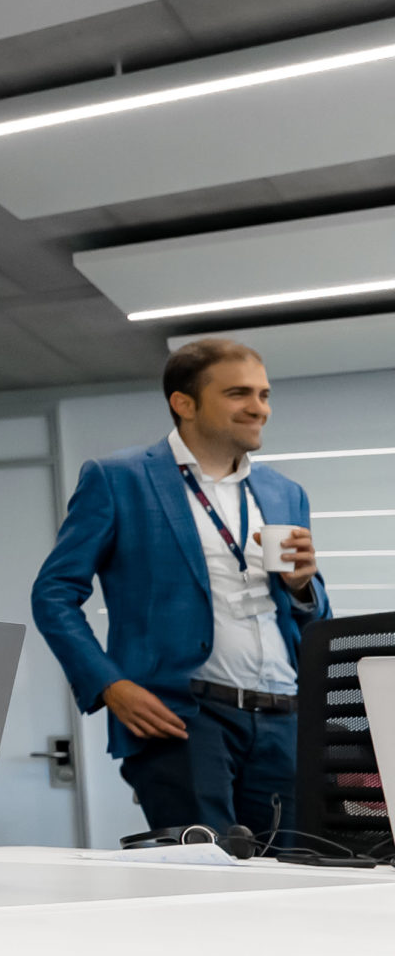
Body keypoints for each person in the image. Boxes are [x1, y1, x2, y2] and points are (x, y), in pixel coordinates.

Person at [32, 340, 328, 837]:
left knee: (292, 880)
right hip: (184, 716)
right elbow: (53, 593)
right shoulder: (120, 478)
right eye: (239, 394)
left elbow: (313, 618)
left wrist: (302, 587)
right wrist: (110, 685)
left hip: (284, 715)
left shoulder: (284, 493)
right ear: (184, 403)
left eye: (264, 394)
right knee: (206, 880)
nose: (260, 408)